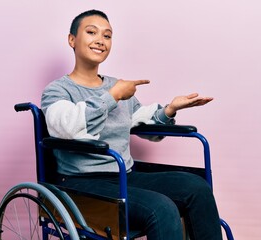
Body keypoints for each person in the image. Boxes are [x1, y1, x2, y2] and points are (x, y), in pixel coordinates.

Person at [41, 9, 222, 240]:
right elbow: (65, 127)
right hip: (82, 182)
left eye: (107, 36)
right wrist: (112, 96)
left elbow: (139, 117)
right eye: (91, 32)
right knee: (162, 208)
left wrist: (170, 109)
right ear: (72, 39)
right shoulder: (57, 90)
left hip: (125, 174)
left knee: (197, 188)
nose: (100, 40)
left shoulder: (117, 86)